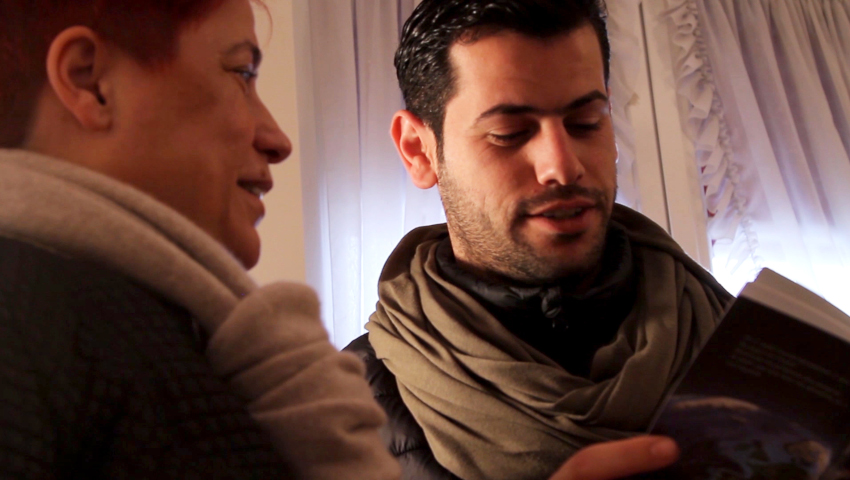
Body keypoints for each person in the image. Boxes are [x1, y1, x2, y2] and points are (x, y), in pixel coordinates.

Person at [0, 1, 400, 478]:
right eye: (242, 72)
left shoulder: (159, 336)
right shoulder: (24, 328)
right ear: (91, 83)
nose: (278, 140)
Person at [344, 1, 734, 479]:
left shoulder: (744, 347)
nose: (562, 166)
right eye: (509, 133)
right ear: (418, 151)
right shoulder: (338, 416)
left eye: (586, 122)